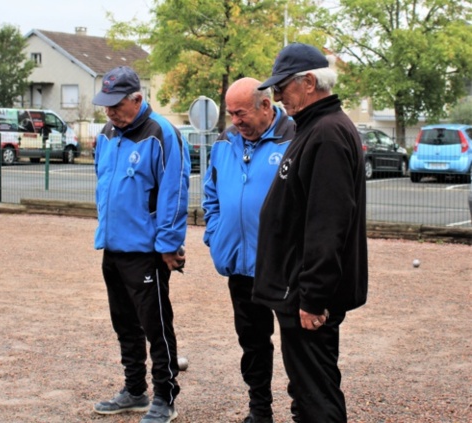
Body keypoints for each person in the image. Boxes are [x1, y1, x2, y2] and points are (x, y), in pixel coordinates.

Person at [252, 43, 368, 422]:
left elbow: (328, 223)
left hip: (306, 294)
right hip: (296, 288)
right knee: (305, 389)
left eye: (281, 87)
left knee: (316, 394)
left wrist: (312, 298)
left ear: (308, 82)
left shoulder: (328, 134)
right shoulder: (314, 127)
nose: (277, 96)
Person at [91, 65, 190, 423]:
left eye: (117, 105)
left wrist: (168, 245)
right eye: (106, 105)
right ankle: (134, 390)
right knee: (124, 324)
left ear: (138, 98)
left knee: (156, 326)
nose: (110, 112)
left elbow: (174, 194)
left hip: (146, 253)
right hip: (113, 247)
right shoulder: (106, 133)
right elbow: (102, 183)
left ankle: (165, 396)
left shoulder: (162, 134)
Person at [202, 77, 295, 423]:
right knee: (253, 344)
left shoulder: (294, 139)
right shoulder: (225, 142)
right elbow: (211, 195)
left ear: (266, 107)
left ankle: (305, 410)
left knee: (297, 347)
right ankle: (260, 411)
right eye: (230, 114)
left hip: (283, 268)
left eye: (241, 113)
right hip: (240, 267)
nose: (235, 121)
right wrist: (216, 234)